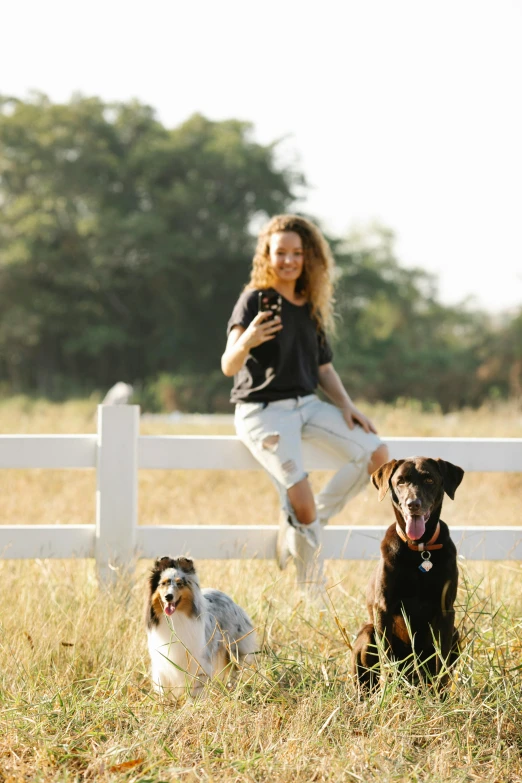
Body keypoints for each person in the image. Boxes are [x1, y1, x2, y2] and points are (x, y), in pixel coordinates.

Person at [221, 215, 389, 596]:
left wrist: (347, 406)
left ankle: (303, 526)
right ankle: (312, 595)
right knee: (303, 503)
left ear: (307, 257)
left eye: (297, 253)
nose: (288, 260)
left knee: (376, 453)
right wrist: (248, 338)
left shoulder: (309, 306)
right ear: (267, 255)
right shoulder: (252, 301)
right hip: (261, 410)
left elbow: (324, 368)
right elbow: (228, 364)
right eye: (280, 252)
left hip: (307, 405)